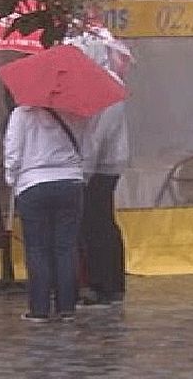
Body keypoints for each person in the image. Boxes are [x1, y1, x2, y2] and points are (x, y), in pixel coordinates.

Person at [4, 105, 86, 322]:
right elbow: (86, 144)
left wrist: (11, 178)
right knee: (66, 248)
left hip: (33, 184)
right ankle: (66, 307)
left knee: (37, 249)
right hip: (70, 182)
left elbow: (13, 152)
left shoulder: (21, 114)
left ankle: (39, 309)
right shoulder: (75, 111)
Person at [81, 101, 129, 305]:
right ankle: (112, 283)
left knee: (96, 225)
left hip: (101, 168)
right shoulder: (110, 94)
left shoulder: (104, 100)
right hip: (108, 164)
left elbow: (96, 138)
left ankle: (102, 283)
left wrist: (84, 173)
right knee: (104, 222)